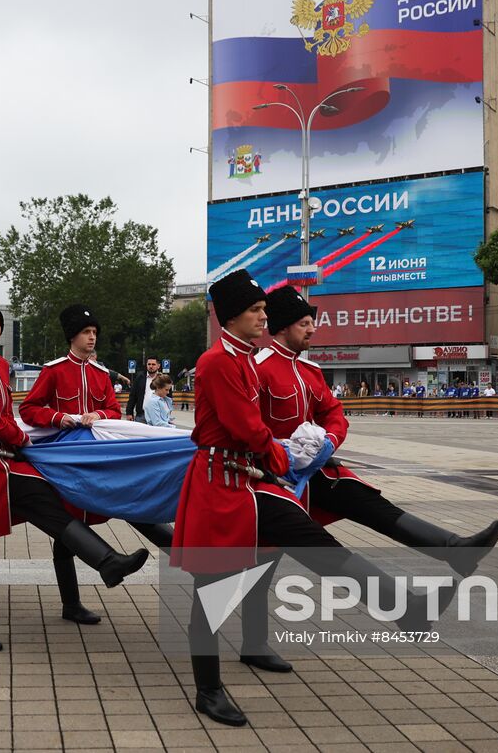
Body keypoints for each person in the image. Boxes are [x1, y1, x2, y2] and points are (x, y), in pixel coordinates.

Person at [174, 273, 440, 727]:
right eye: (257, 309)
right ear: (232, 315)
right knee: (213, 588)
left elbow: (254, 427)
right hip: (221, 483)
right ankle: (208, 690)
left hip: (249, 481)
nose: (264, 315)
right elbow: (245, 426)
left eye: (264, 309)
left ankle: (402, 604)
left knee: (309, 538)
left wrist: (286, 454)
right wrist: (285, 456)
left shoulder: (242, 359)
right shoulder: (217, 361)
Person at [250, 286, 498, 668]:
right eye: (305, 323)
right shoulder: (260, 367)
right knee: (266, 558)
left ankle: (454, 549)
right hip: (271, 475)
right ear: (283, 327)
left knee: (366, 500)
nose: (313, 329)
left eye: (312, 321)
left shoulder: (310, 371)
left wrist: (329, 441)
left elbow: (334, 413)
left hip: (315, 469)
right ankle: (254, 641)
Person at [0, 296, 149, 652]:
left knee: (49, 501)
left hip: (5, 460)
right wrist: (24, 437)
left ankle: (107, 562)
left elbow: (5, 414)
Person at [17, 304, 175, 625]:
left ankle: (186, 551)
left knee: (130, 499)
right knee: (67, 526)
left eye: (94, 333)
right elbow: (30, 409)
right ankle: (71, 603)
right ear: (72, 336)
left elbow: (113, 410)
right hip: (67, 462)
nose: (92, 338)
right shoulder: (54, 371)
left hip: (101, 457)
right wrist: (60, 418)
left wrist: (99, 415)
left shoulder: (101, 373)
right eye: (87, 333)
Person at [127, 356, 160, 421]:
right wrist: (129, 412)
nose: (151, 366)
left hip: (158, 415)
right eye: (149, 364)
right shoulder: (139, 378)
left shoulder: (163, 379)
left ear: (158, 366)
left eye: (153, 364)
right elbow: (133, 396)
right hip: (142, 415)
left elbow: (168, 397)